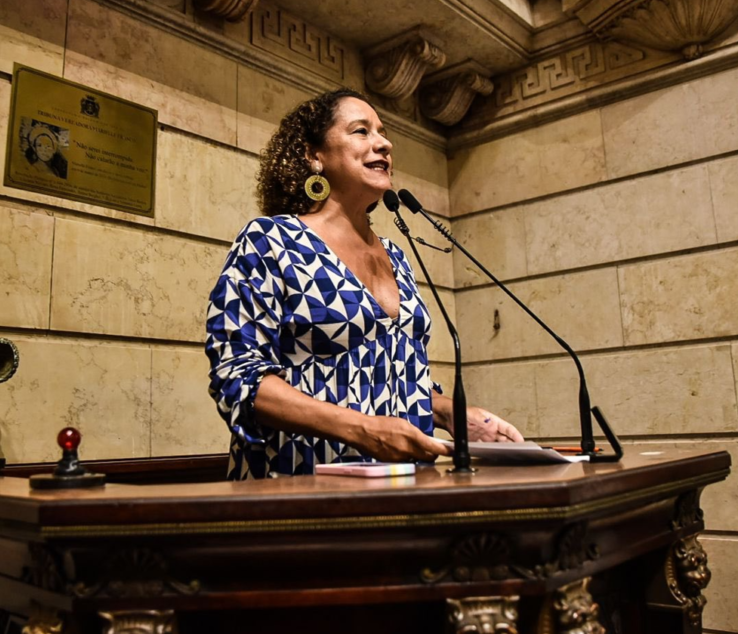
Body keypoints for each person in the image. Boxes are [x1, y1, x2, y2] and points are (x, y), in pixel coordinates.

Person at [205, 88, 522, 479]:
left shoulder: (397, 256)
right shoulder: (271, 240)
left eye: (383, 133)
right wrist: (362, 429)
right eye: (361, 131)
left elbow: (394, 373)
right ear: (313, 155)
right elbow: (237, 375)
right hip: (301, 489)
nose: (384, 143)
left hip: (406, 488)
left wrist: (449, 412)